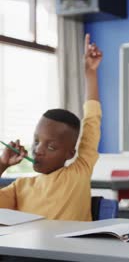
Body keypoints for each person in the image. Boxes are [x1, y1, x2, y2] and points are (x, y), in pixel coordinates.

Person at [0, 34, 103, 221]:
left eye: (51, 147)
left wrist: (90, 73)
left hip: (70, 250)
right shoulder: (20, 187)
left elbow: (92, 120)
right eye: (37, 141)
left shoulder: (78, 173)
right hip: (30, 252)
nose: (38, 150)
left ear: (70, 154)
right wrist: (2, 164)